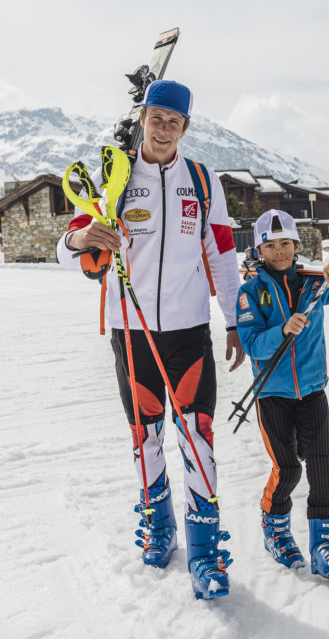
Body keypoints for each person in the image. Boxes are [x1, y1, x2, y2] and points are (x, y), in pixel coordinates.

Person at [55, 79, 244, 600]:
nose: (163, 129)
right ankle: (159, 526)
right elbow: (66, 250)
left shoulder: (202, 181)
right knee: (147, 435)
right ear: (142, 120)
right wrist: (81, 237)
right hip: (131, 331)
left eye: (173, 122)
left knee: (198, 434)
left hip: (188, 330)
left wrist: (234, 320)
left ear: (185, 128)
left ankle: (205, 552)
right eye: (156, 118)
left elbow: (223, 254)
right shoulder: (113, 177)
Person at [235, 209, 329, 579]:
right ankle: (274, 527)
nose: (279, 251)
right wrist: (283, 330)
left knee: (321, 465)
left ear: (296, 245)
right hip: (272, 394)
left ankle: (324, 543)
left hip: (312, 390)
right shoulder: (250, 292)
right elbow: (252, 344)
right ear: (259, 250)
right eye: (270, 245)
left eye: (285, 243)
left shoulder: (313, 283)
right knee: (287, 468)